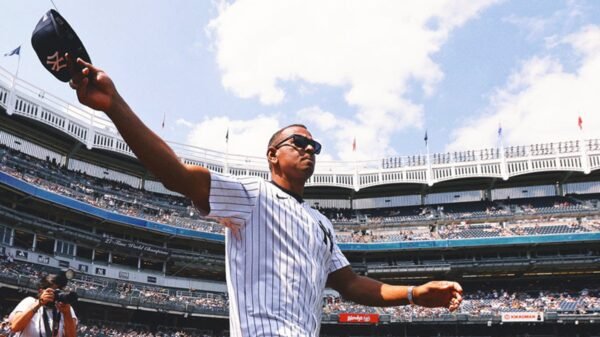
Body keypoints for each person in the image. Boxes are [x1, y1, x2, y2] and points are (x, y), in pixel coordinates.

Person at [67, 56, 463, 336]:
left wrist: (414, 293)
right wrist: (114, 106)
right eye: (299, 142)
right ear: (272, 154)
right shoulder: (251, 196)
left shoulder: (322, 223)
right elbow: (177, 176)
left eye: (315, 146)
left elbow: (351, 284)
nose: (309, 149)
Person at [9, 273, 77, 337]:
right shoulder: (29, 302)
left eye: (58, 292)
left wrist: (67, 314)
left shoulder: (66, 308)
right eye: (52, 291)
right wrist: (38, 304)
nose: (55, 295)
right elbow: (15, 327)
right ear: (41, 291)